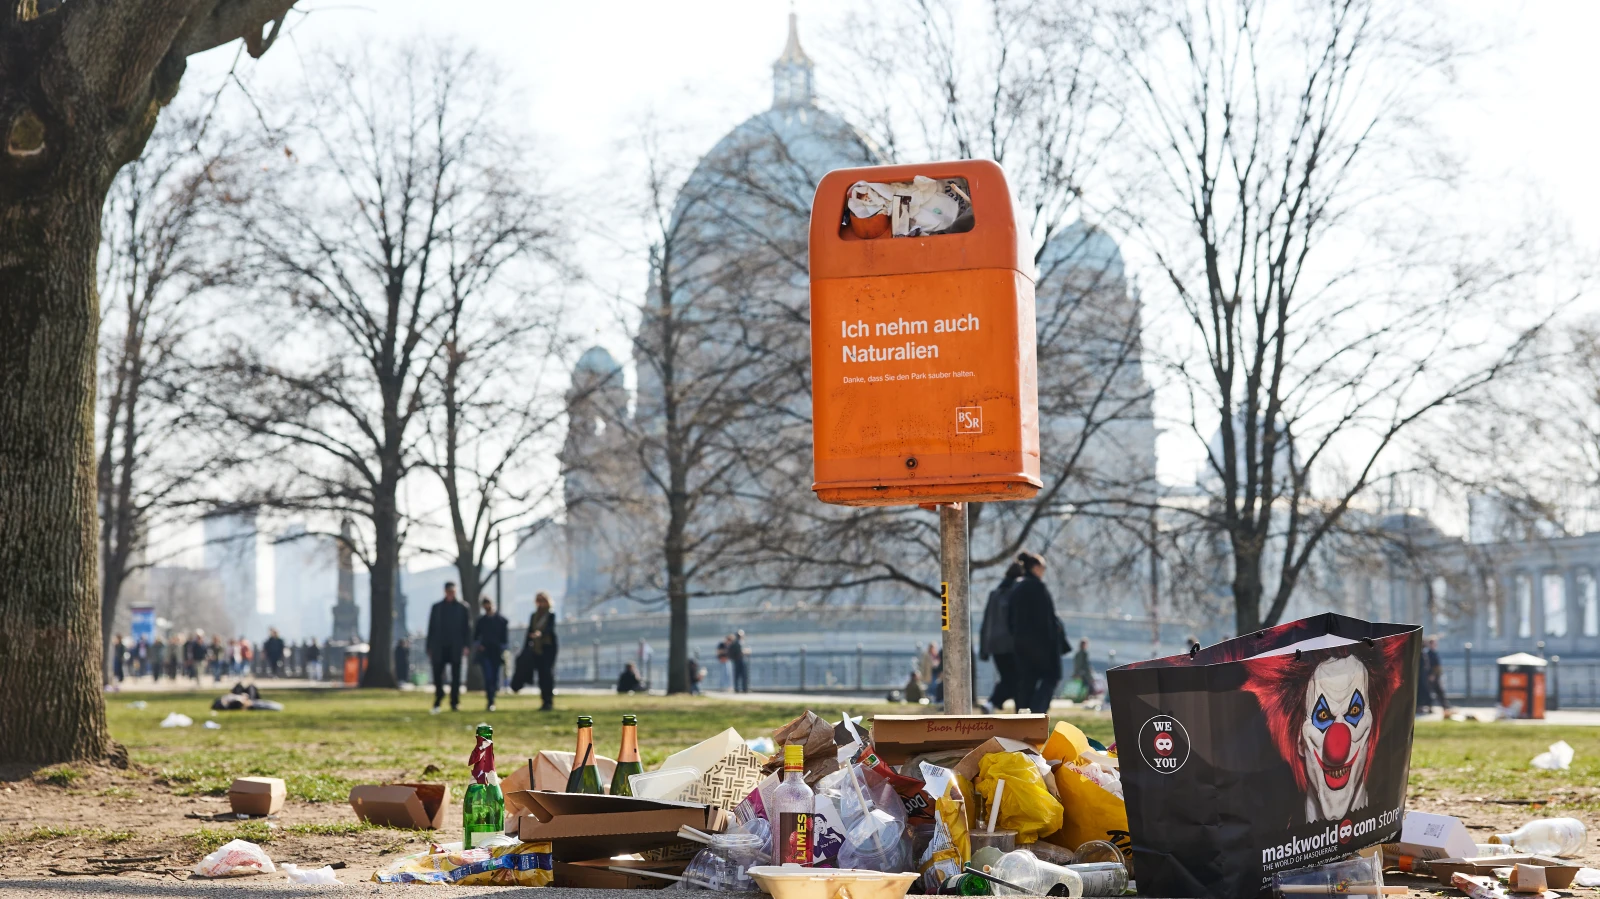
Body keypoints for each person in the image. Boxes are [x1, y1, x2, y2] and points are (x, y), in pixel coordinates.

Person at [1008, 551, 1066, 714]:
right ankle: (1037, 712)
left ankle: (1022, 715)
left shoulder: (1017, 587)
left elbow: (1010, 618)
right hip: (1042, 645)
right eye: (1043, 567)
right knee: (1052, 677)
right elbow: (1046, 619)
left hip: (1021, 643)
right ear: (1035, 568)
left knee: (1026, 682)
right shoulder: (1038, 588)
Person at [979, 562, 1023, 712]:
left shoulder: (994, 594)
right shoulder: (1016, 593)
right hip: (1011, 644)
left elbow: (986, 621)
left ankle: (994, 704)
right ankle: (993, 702)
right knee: (1016, 679)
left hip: (994, 645)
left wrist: (983, 648)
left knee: (1007, 677)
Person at [426, 582, 470, 713]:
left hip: (455, 646)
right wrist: (429, 646)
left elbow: (467, 628)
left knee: (456, 676)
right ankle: (439, 695)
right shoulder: (437, 608)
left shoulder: (463, 607)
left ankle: (454, 701)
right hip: (439, 646)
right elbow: (431, 627)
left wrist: (466, 645)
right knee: (437, 674)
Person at [524, 592, 559, 711]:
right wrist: (526, 648)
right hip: (537, 649)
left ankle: (549, 700)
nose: (540, 603)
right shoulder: (534, 616)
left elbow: (550, 628)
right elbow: (529, 631)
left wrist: (541, 634)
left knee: (547, 673)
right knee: (540, 674)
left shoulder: (550, 614)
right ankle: (544, 700)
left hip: (548, 648)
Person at [474, 598, 508, 712]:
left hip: (496, 653)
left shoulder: (501, 621)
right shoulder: (481, 621)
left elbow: (504, 639)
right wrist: (479, 645)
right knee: (488, 677)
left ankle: (492, 698)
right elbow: (476, 637)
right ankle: (490, 700)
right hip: (485, 653)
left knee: (494, 677)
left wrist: (503, 649)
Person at [1425, 636, 1451, 714]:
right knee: (1433, 692)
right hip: (1432, 676)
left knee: (1437, 692)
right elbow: (1431, 665)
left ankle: (1445, 707)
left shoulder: (1433, 653)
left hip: (1435, 676)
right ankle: (1442, 707)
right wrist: (1432, 674)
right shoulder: (1429, 653)